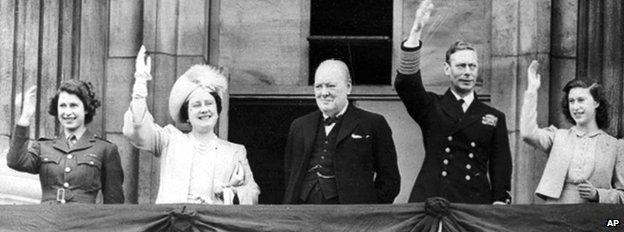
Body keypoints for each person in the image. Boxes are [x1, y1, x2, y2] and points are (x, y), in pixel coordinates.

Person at [394, 0, 512, 204]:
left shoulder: (494, 117)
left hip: (474, 204)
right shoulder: (431, 107)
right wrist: (416, 32)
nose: (467, 72)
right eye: (461, 66)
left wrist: (500, 201)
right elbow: (406, 84)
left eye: (472, 66)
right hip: (433, 201)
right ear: (447, 69)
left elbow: (500, 165)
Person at [123, 46, 259, 204]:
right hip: (174, 223)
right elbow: (138, 131)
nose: (204, 110)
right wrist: (140, 84)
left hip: (213, 225)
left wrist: (230, 192)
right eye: (196, 105)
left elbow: (252, 193)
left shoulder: (235, 152)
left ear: (217, 110)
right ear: (187, 115)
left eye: (209, 103)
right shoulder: (170, 140)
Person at [282, 59, 400, 204]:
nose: (324, 93)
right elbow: (290, 174)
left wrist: (367, 214)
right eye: (318, 86)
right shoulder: (299, 125)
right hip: (304, 215)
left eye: (330, 86)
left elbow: (390, 181)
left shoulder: (373, 123)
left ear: (348, 87)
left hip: (349, 220)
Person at [520, 60, 624, 204]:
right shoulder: (558, 136)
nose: (575, 107)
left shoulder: (615, 146)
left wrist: (598, 194)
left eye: (581, 100)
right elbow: (527, 133)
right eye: (571, 101)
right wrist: (532, 89)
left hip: (593, 219)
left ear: (596, 102)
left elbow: (622, 196)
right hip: (556, 214)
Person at [7, 81, 125, 204]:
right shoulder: (43, 146)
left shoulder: (105, 149)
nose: (67, 112)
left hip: (83, 221)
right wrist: (25, 117)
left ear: (85, 108)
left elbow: (114, 203)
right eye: (62, 106)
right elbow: (15, 161)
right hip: (48, 220)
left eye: (73, 105)